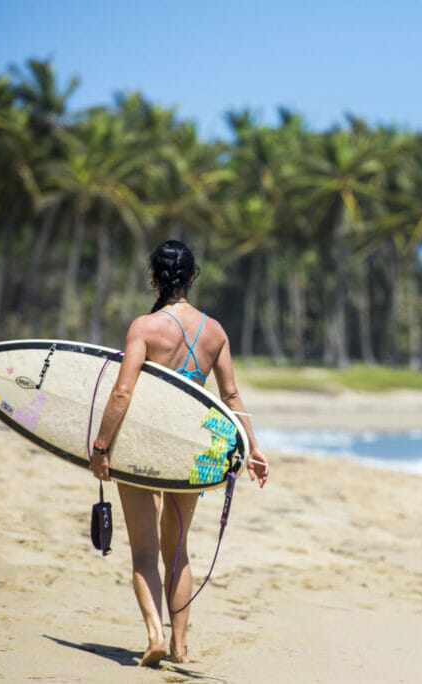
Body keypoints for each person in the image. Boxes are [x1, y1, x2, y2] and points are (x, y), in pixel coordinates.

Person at [88, 239, 269, 667]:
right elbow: (230, 394)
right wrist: (253, 446)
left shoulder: (145, 329)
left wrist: (101, 447)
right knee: (179, 551)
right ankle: (181, 647)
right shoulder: (215, 332)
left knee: (146, 552)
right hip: (191, 453)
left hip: (142, 449)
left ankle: (154, 635)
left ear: (155, 278)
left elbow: (123, 391)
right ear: (191, 277)